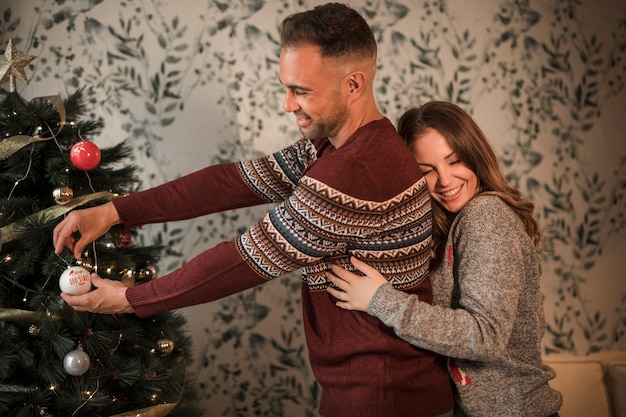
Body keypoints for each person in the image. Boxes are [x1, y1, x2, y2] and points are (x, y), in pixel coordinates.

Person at [53, 4, 454, 417]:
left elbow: (243, 259)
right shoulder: (337, 147)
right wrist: (115, 211)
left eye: (301, 90)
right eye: (286, 87)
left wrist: (130, 299)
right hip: (372, 391)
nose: (287, 104)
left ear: (353, 84)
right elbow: (231, 182)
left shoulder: (353, 171)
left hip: (386, 397)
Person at [326, 100, 563, 417]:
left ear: (475, 157)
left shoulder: (485, 214)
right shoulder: (453, 225)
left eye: (455, 161)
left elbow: (484, 336)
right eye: (427, 171)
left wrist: (380, 300)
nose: (446, 180)